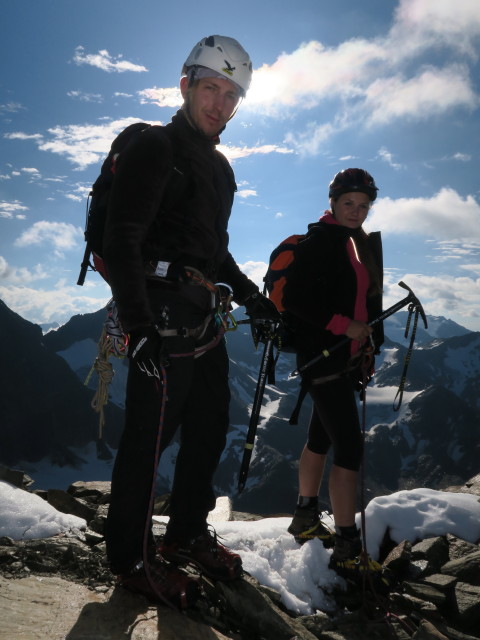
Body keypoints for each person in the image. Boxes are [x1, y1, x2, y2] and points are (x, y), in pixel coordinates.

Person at [102, 35, 279, 609]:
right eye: (211, 89)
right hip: (160, 317)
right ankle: (130, 559)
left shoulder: (220, 169)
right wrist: (139, 325)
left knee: (207, 428)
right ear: (186, 86)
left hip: (200, 318)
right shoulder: (158, 148)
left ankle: (185, 533)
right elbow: (123, 239)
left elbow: (213, 252)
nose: (221, 104)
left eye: (232, 95)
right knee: (147, 441)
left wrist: (254, 297)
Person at [283, 168, 386, 582]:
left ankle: (305, 516)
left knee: (320, 437)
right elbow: (295, 300)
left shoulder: (356, 244)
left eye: (363, 206)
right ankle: (346, 548)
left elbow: (364, 303)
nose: (357, 211)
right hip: (322, 356)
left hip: (343, 357)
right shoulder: (322, 242)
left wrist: (366, 345)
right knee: (350, 448)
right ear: (333, 203)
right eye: (349, 203)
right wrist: (347, 329)